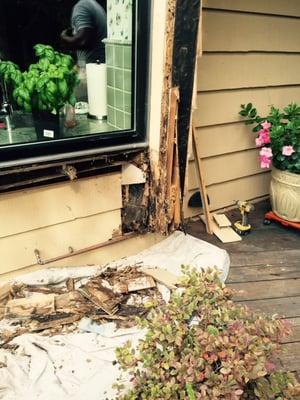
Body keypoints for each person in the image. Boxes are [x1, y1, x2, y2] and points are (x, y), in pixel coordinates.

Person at [60, 0, 107, 67]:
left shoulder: (82, 6)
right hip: (97, 65)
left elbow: (83, 41)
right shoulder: (93, 4)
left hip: (91, 68)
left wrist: (64, 38)